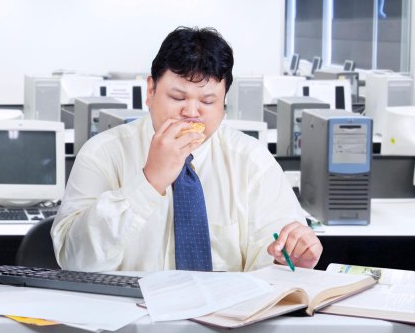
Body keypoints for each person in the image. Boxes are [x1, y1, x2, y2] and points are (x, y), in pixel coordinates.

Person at [51, 26, 322, 272]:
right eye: (177, 97)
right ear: (150, 91)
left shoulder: (252, 160)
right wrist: (148, 182)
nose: (191, 112)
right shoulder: (102, 153)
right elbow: (75, 260)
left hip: (224, 321)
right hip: (132, 322)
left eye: (208, 101)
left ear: (223, 102)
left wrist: (289, 258)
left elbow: (274, 256)